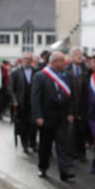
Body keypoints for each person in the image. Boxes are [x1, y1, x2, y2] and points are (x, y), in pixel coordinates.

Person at [31, 51, 75, 182]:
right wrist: (38, 116)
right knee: (45, 145)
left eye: (64, 60)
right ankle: (42, 167)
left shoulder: (66, 76)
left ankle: (64, 172)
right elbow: (35, 98)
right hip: (47, 117)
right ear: (54, 62)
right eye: (61, 60)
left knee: (62, 145)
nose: (64, 63)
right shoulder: (41, 76)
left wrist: (71, 112)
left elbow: (71, 97)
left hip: (62, 117)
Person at [65, 49, 91, 163]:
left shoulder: (86, 70)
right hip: (70, 105)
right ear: (71, 57)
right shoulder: (66, 71)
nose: (79, 57)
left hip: (82, 105)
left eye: (80, 55)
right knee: (70, 132)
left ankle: (81, 153)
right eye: (76, 55)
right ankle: (71, 154)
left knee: (82, 130)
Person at [10, 53, 38, 154]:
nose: (28, 61)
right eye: (26, 59)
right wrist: (14, 100)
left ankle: (33, 143)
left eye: (30, 59)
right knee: (23, 125)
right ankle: (25, 143)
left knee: (33, 125)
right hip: (21, 103)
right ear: (22, 60)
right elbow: (11, 89)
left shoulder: (36, 72)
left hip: (33, 103)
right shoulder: (15, 72)